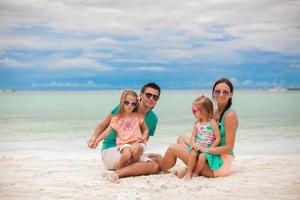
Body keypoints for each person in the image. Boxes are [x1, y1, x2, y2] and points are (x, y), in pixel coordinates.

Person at [159, 78, 238, 178]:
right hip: (210, 155)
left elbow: (228, 148)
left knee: (173, 148)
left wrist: (205, 149)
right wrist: (198, 144)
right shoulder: (215, 112)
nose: (221, 94)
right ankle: (191, 166)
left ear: (231, 94)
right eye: (218, 91)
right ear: (213, 93)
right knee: (181, 138)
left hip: (217, 165)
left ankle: (158, 167)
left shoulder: (230, 115)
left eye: (225, 92)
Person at [87, 82, 161, 183]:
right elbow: (104, 125)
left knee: (158, 159)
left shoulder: (153, 119)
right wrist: (94, 138)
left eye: (155, 97)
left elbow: (143, 142)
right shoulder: (125, 107)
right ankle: (118, 173)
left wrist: (140, 146)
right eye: (148, 95)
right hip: (112, 149)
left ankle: (127, 169)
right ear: (141, 95)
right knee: (152, 165)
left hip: (132, 149)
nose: (151, 98)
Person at [91, 90, 149, 170]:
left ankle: (135, 167)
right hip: (124, 144)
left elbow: (146, 129)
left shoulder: (138, 116)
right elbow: (107, 132)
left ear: (136, 104)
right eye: (127, 102)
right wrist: (96, 141)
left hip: (137, 143)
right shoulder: (116, 119)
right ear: (122, 102)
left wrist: (143, 138)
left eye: (133, 104)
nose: (130, 105)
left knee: (135, 150)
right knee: (126, 155)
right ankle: (119, 171)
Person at [184, 95, 220, 180]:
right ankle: (189, 172)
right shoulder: (197, 123)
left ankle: (197, 172)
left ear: (203, 111)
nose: (193, 113)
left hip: (207, 149)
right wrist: (193, 144)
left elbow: (218, 138)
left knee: (202, 157)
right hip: (197, 146)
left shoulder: (212, 123)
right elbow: (193, 136)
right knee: (193, 152)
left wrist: (209, 149)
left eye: (194, 111)